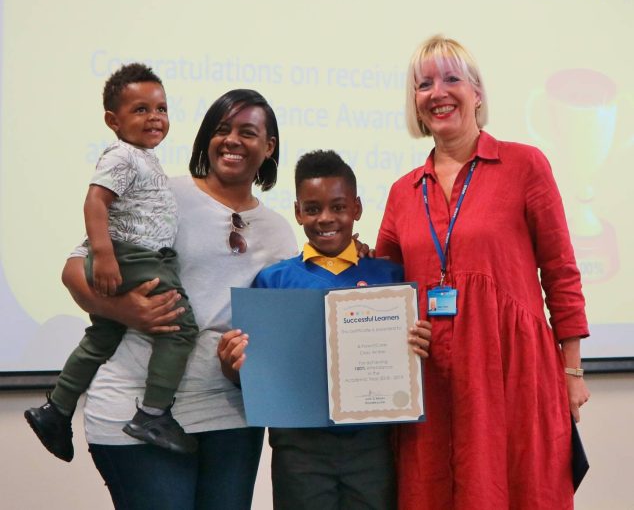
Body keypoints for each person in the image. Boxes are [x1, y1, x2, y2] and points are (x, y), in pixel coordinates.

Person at [375, 35, 591, 509]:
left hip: (513, 369)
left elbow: (561, 272)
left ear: (476, 92)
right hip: (430, 378)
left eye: (451, 79)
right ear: (415, 102)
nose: (438, 93)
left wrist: (572, 370)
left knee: (518, 486)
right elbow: (382, 289)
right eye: (424, 84)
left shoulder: (525, 165)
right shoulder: (402, 193)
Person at [57, 89, 297, 510]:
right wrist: (125, 310)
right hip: (133, 409)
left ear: (269, 146)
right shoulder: (165, 195)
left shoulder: (279, 233)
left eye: (247, 132)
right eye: (222, 129)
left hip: (229, 415)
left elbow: (279, 334)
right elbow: (75, 270)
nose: (232, 140)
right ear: (207, 138)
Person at [218, 150, 432, 510]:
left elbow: (413, 363)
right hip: (299, 449)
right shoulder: (273, 280)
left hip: (372, 446)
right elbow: (255, 375)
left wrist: (420, 345)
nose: (326, 218)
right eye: (313, 209)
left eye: (339, 207)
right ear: (298, 212)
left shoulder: (390, 277)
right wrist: (232, 365)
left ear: (357, 208)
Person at [25, 63, 198, 460]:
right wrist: (103, 254)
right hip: (131, 257)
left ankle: (56, 409)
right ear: (112, 121)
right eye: (140, 109)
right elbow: (95, 201)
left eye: (161, 108)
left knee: (103, 335)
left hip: (130, 257)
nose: (154, 117)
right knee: (180, 326)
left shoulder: (144, 157)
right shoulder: (122, 155)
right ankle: (153, 414)